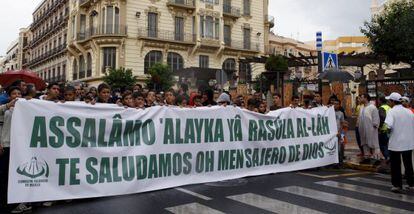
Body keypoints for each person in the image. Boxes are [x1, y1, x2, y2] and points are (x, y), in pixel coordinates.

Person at [0, 87, 32, 213]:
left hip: (20, 147)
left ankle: (16, 202)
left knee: (17, 176)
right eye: (14, 93)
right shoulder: (5, 108)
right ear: (9, 95)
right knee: (4, 176)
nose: (17, 95)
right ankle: (4, 203)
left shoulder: (26, 108)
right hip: (6, 146)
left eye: (19, 93)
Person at [384, 92, 414, 193]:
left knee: (396, 165)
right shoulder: (409, 111)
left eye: (389, 101)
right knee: (408, 164)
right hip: (408, 143)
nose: (388, 102)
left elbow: (388, 126)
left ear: (392, 101)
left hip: (396, 143)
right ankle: (411, 184)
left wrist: (387, 133)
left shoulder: (392, 112)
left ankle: (397, 185)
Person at [358, 93, 381, 163]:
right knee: (364, 143)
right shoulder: (362, 107)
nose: (360, 99)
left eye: (361, 97)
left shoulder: (372, 107)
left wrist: (374, 127)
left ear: (365, 98)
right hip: (363, 129)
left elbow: (376, 118)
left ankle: (377, 159)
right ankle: (366, 158)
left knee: (374, 144)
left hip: (371, 129)